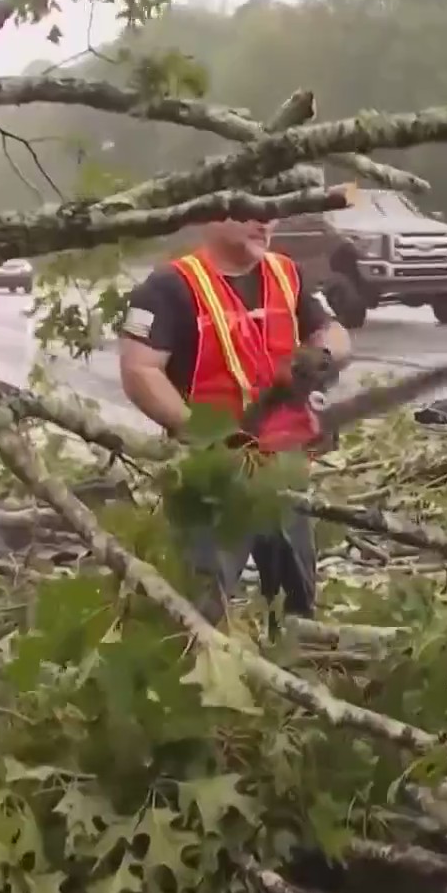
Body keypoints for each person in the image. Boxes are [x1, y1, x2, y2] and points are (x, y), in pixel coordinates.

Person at [117, 218, 352, 627]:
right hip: (212, 476)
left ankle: (294, 652)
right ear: (211, 213)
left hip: (283, 467)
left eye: (270, 209)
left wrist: (323, 356)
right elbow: (140, 371)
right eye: (247, 208)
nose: (263, 220)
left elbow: (333, 330)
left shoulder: (286, 273)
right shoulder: (169, 286)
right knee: (201, 608)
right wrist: (207, 435)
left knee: (296, 602)